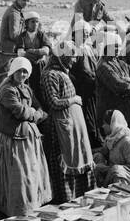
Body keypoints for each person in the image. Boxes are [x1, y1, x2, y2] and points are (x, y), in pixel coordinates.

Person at [0, 56, 52, 217]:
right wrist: (36, 114)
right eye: (20, 71)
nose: (23, 74)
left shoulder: (26, 88)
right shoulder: (7, 90)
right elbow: (21, 112)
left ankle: (32, 205)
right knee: (20, 175)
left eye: (26, 71)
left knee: (31, 173)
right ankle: (19, 209)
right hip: (15, 140)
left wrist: (35, 112)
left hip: (28, 139)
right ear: (13, 71)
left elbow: (38, 106)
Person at [40, 42, 96, 203]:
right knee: (65, 160)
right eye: (71, 57)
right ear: (61, 56)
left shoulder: (62, 73)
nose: (73, 61)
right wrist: (74, 99)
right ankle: (67, 198)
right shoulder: (50, 75)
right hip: (61, 128)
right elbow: (54, 103)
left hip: (72, 126)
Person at [96, 40, 130, 157]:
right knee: (119, 147)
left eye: (118, 47)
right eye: (113, 47)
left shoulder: (121, 63)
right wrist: (129, 83)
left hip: (128, 112)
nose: (117, 50)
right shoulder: (103, 67)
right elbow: (120, 86)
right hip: (114, 114)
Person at [0, 0, 36, 93]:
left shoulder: (16, 10)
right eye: (24, 0)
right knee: (4, 87)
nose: (26, 3)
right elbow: (14, 35)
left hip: (4, 51)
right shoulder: (14, 14)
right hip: (5, 55)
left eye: (28, 0)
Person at [94, 109, 130, 186]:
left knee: (116, 170)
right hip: (114, 172)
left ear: (112, 124)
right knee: (97, 157)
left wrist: (108, 169)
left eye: (105, 123)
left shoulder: (127, 141)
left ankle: (117, 192)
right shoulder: (110, 139)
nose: (103, 126)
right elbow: (103, 153)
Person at [69, 25, 103, 146]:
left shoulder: (87, 48)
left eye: (87, 33)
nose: (86, 35)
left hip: (91, 86)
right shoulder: (72, 47)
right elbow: (78, 70)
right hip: (81, 87)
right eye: (83, 32)